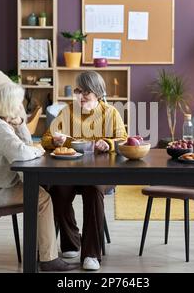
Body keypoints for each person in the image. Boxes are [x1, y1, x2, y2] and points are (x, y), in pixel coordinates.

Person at [0, 83, 77, 271]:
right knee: (43, 198)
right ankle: (48, 259)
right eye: (18, 103)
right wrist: (40, 149)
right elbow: (23, 153)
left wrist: (21, 124)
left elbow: (23, 145)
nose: (21, 107)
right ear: (9, 105)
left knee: (40, 193)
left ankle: (41, 251)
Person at [42, 71, 128, 271]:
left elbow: (123, 139)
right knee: (57, 190)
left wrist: (108, 143)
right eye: (78, 91)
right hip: (70, 170)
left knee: (93, 190)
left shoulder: (110, 113)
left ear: (97, 93)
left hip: (101, 172)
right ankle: (71, 242)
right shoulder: (68, 112)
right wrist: (54, 140)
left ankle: (91, 254)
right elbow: (46, 138)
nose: (81, 96)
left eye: (86, 92)